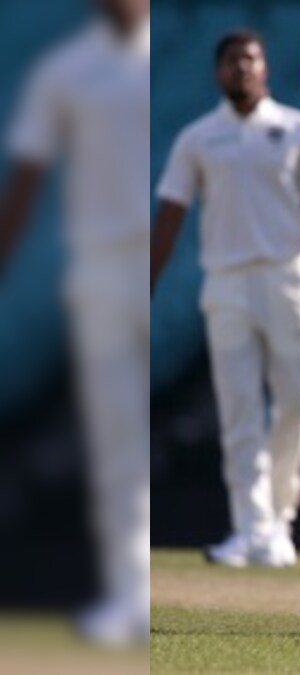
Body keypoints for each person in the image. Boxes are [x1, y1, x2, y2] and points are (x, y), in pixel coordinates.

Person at [151, 29, 300, 568]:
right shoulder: (198, 138)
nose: (242, 68)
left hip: (288, 275)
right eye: (233, 61)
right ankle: (248, 528)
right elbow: (169, 214)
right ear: (218, 72)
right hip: (227, 281)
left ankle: (278, 521)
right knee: (239, 407)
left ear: (265, 69)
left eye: (251, 59)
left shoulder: (296, 128)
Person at [0, 0, 149, 644]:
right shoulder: (64, 69)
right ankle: (130, 595)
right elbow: (26, 179)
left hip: (170, 260)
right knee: (118, 440)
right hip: (102, 269)